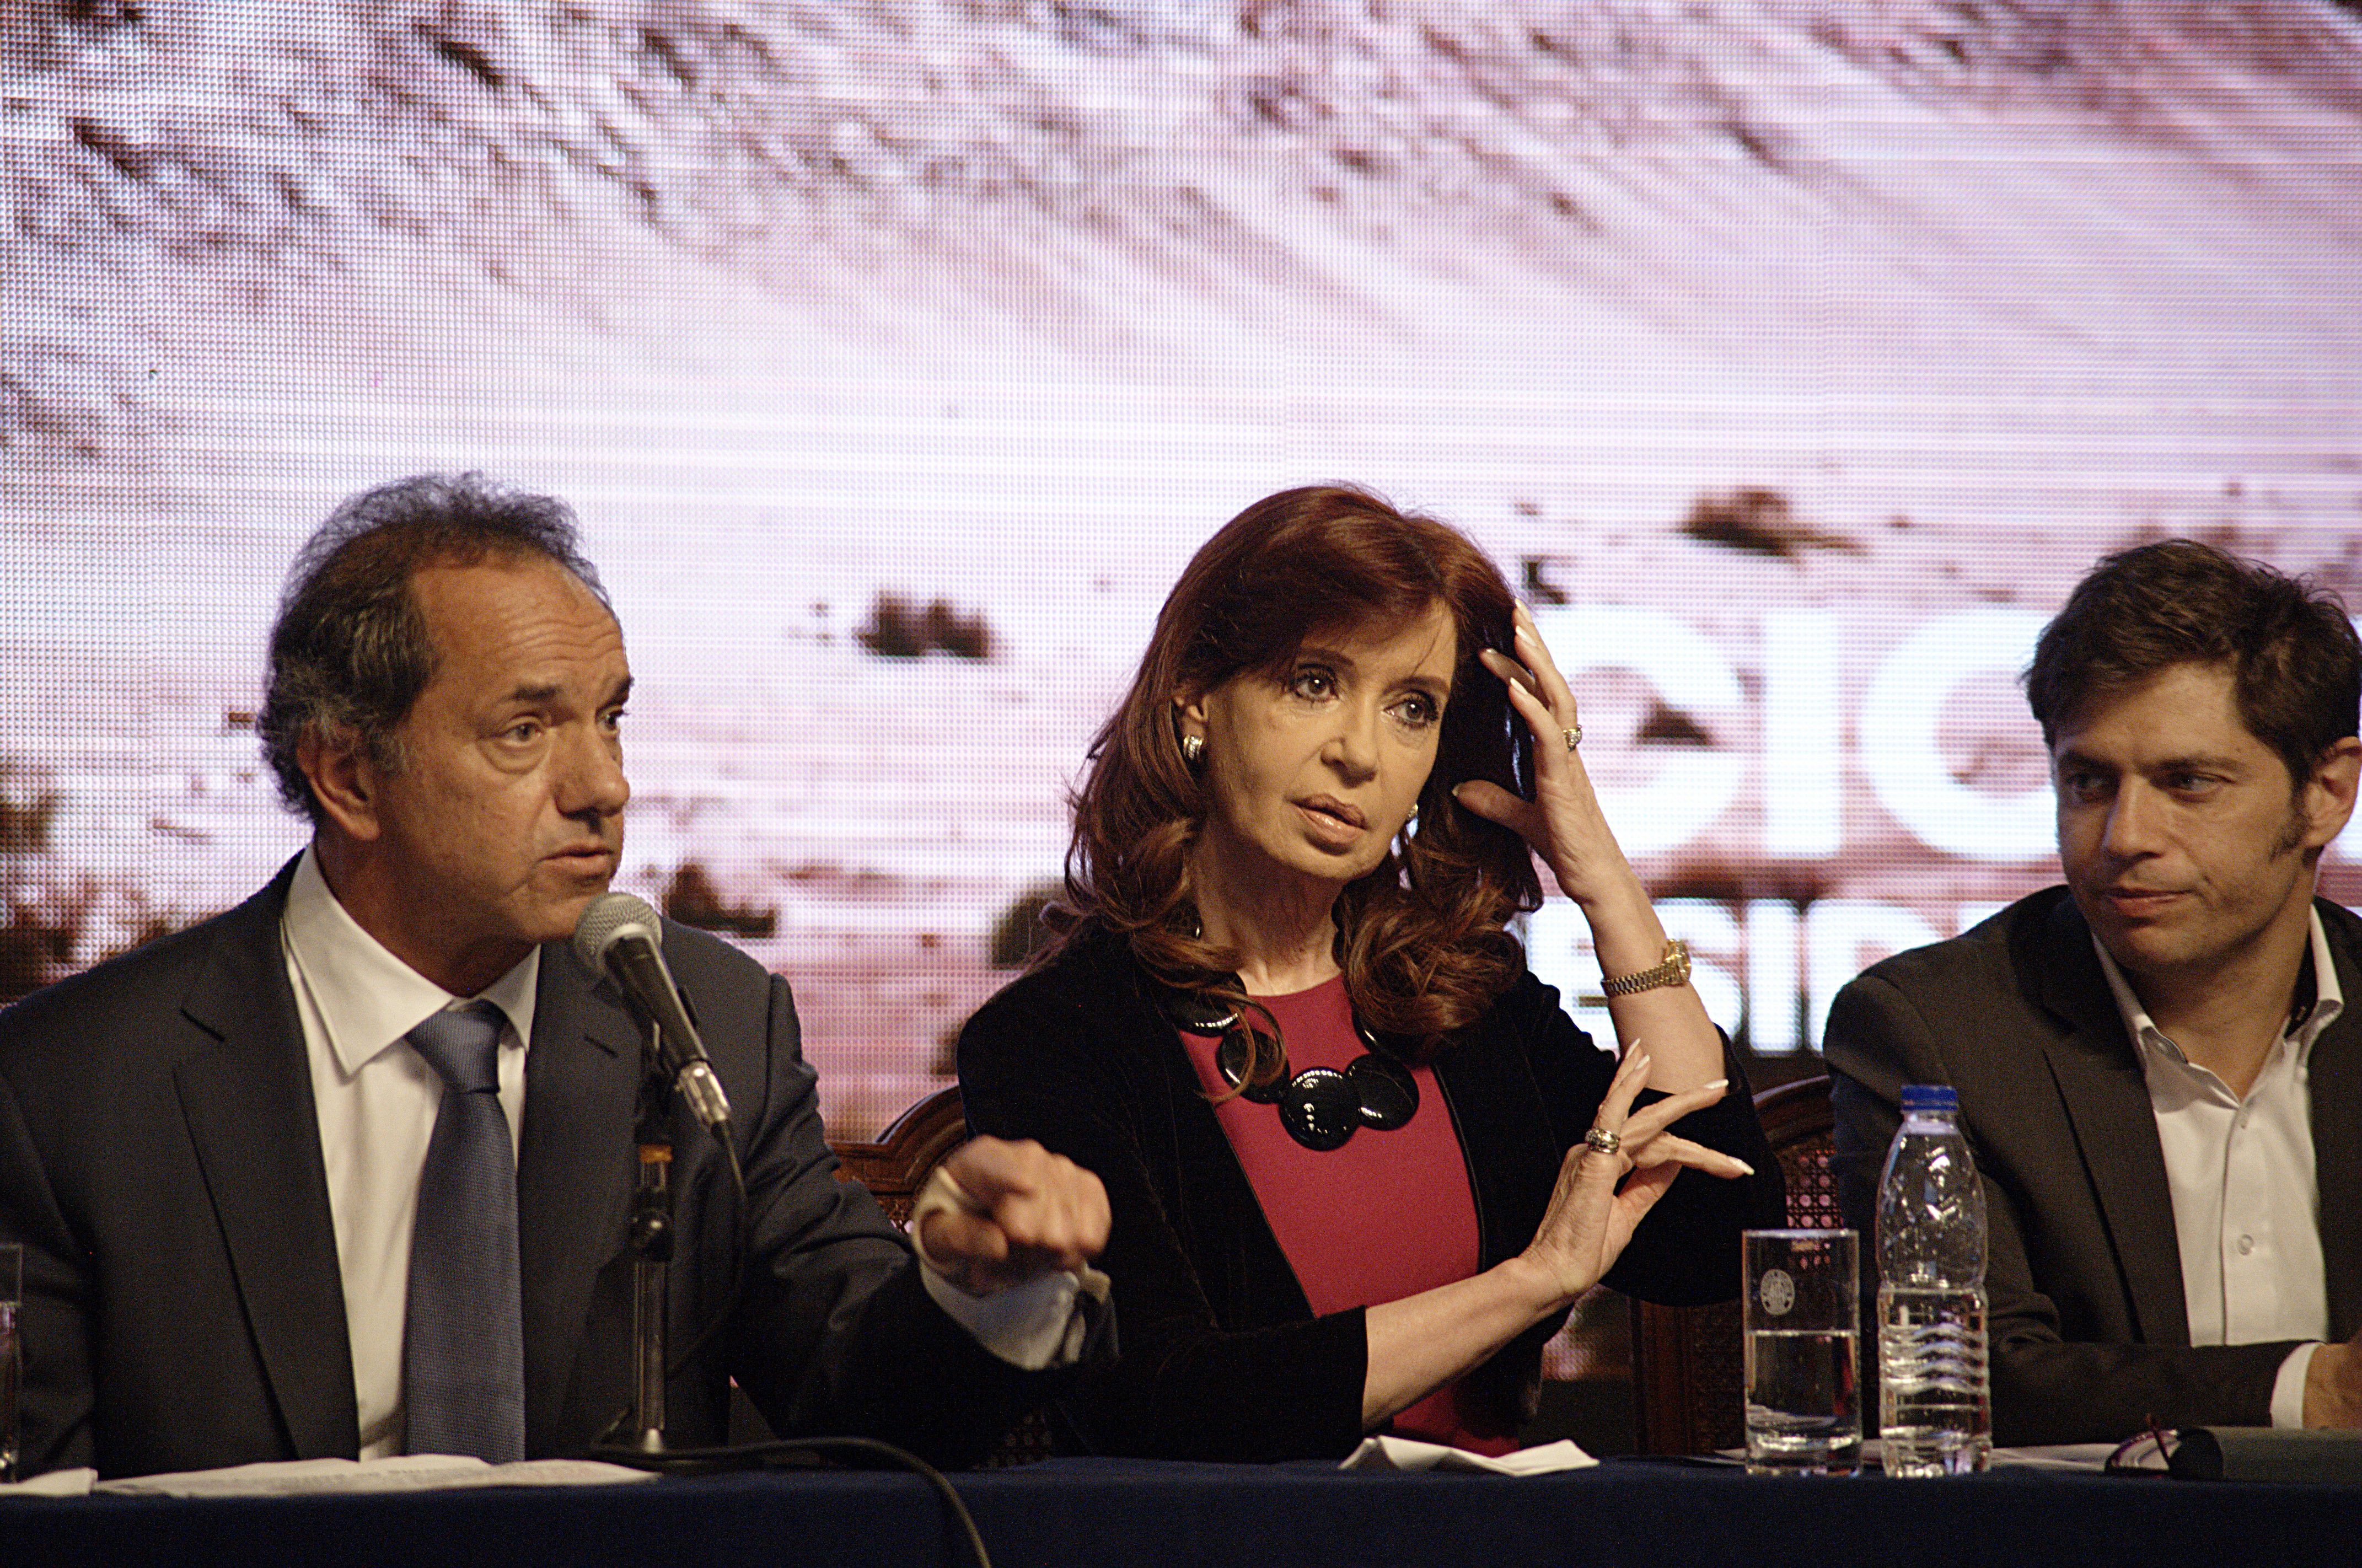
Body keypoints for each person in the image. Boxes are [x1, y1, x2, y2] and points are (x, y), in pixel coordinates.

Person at [0, 474, 1109, 1480]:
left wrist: (974, 1292)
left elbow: (861, 1392)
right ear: (347, 775)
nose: (603, 786)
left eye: (610, 717)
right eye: (525, 730)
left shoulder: (706, 1020)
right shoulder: (72, 1088)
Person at [958, 486, 1784, 1461]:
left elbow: (1719, 1235)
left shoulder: (1463, 998)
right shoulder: (1058, 1038)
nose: (1359, 754)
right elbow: (1162, 1403)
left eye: (1412, 710)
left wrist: (1600, 878)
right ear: (1197, 702)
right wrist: (1531, 1281)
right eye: (1314, 683)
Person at [1826, 538, 2362, 1444]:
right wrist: (2311, 1391)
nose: (2124, 837)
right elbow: (1954, 1375)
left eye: (2187, 782)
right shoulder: (1936, 1031)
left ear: (2325, 793)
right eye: (2088, 781)